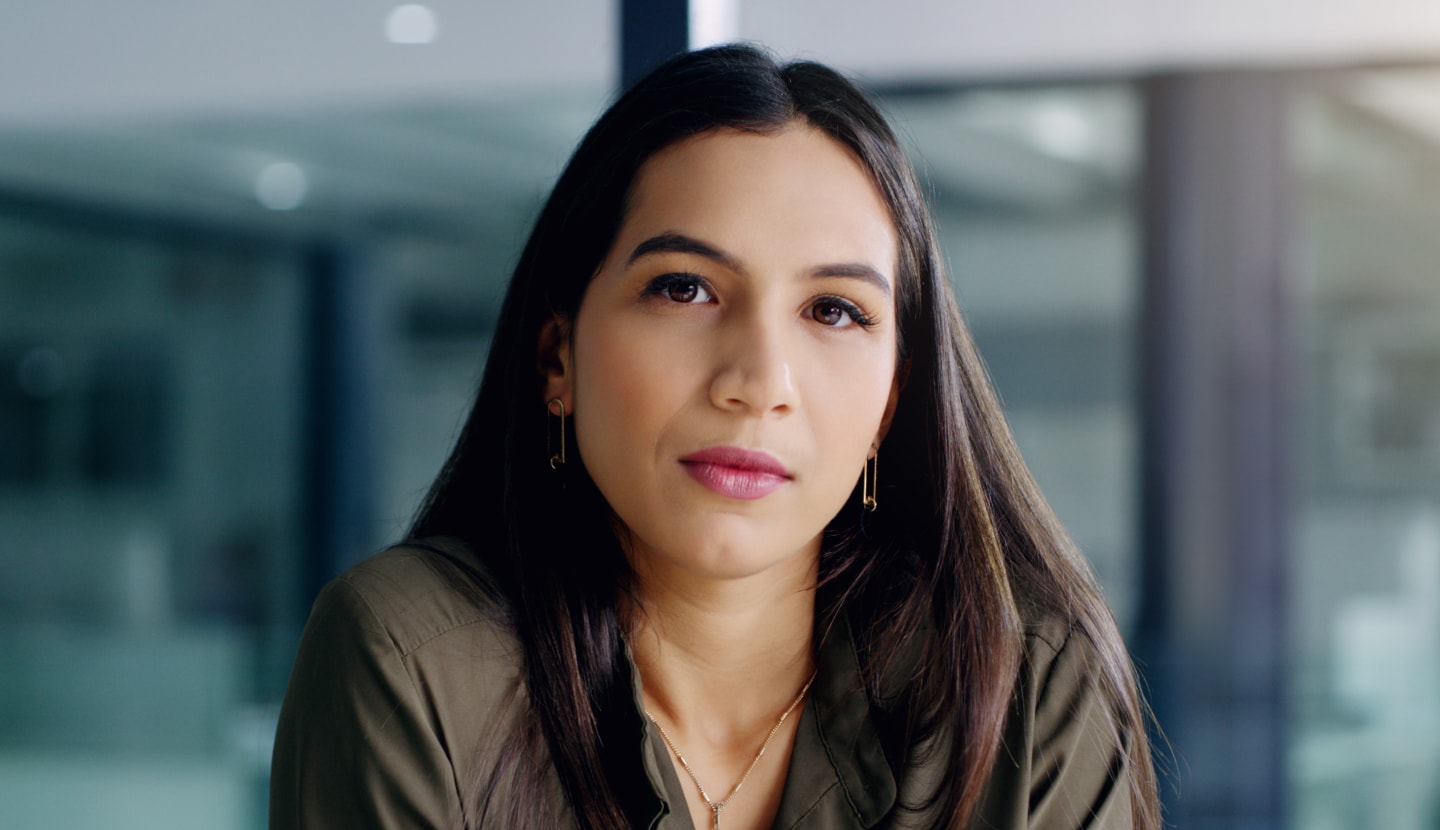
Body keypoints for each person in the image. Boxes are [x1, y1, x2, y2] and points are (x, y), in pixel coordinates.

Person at [269, 44, 1162, 830]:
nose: (758, 384)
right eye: (684, 288)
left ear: (892, 402)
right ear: (557, 357)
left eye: (834, 310)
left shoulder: (1028, 692)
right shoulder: (415, 665)